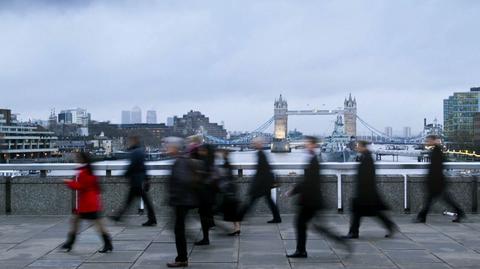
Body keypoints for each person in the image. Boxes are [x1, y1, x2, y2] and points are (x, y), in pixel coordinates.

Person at [286, 136, 347, 258]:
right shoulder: (312, 158)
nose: (305, 144)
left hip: (310, 200)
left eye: (308, 143)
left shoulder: (313, 160)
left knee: (302, 224)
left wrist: (293, 190)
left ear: (313, 145)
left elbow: (309, 181)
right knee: (315, 226)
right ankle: (302, 250)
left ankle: (301, 251)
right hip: (311, 199)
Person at [344, 140, 397, 239]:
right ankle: (354, 232)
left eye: (358, 146)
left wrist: (363, 190)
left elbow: (367, 176)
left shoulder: (367, 158)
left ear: (363, 147)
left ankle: (354, 233)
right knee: (362, 212)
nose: (356, 147)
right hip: (366, 192)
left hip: (366, 192)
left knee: (366, 212)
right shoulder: (365, 157)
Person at [61, 152, 113, 253]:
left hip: (87, 204)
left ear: (82, 159)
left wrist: (68, 182)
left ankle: (70, 243)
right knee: (88, 222)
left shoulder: (84, 172)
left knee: (93, 224)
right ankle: (107, 243)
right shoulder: (89, 170)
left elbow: (81, 186)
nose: (76, 159)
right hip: (91, 202)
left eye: (77, 157)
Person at [165, 137, 199, 268]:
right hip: (183, 200)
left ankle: (182, 259)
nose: (166, 148)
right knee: (179, 229)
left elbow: (183, 181)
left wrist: (174, 196)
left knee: (178, 230)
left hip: (181, 201)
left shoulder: (180, 162)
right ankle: (182, 257)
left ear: (175, 148)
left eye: (168, 146)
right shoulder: (182, 160)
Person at [415, 135, 465, 223]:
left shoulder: (437, 151)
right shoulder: (437, 150)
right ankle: (421, 217)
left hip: (437, 181)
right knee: (438, 200)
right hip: (438, 181)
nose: (427, 142)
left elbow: (436, 167)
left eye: (429, 140)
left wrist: (430, 179)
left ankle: (421, 217)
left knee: (432, 200)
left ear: (434, 141)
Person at [110, 136, 157, 226]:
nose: (129, 143)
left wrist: (123, 175)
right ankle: (152, 218)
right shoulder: (140, 151)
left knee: (130, 201)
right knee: (140, 201)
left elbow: (132, 166)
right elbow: (143, 167)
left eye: (130, 141)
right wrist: (147, 179)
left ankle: (119, 216)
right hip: (139, 180)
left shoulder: (135, 152)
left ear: (134, 141)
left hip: (136, 181)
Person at [238, 137, 282, 223]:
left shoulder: (260, 154)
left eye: (255, 143)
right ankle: (277, 218)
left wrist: (255, 184)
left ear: (259, 144)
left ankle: (239, 217)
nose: (254, 144)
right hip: (265, 183)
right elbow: (266, 169)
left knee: (251, 200)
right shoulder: (262, 154)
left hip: (262, 184)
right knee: (268, 201)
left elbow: (262, 171)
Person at [191, 144, 217, 246]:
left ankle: (206, 238)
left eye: (202, 150)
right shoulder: (210, 160)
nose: (199, 151)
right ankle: (207, 235)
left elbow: (201, 177)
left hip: (205, 194)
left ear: (206, 151)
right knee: (205, 215)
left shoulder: (205, 162)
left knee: (203, 216)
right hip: (209, 194)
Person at [217, 149, 241, 236]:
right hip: (231, 190)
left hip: (228, 190)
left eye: (221, 153)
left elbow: (224, 176)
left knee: (228, 210)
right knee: (232, 210)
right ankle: (237, 227)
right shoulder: (227, 162)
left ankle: (236, 228)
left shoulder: (225, 163)